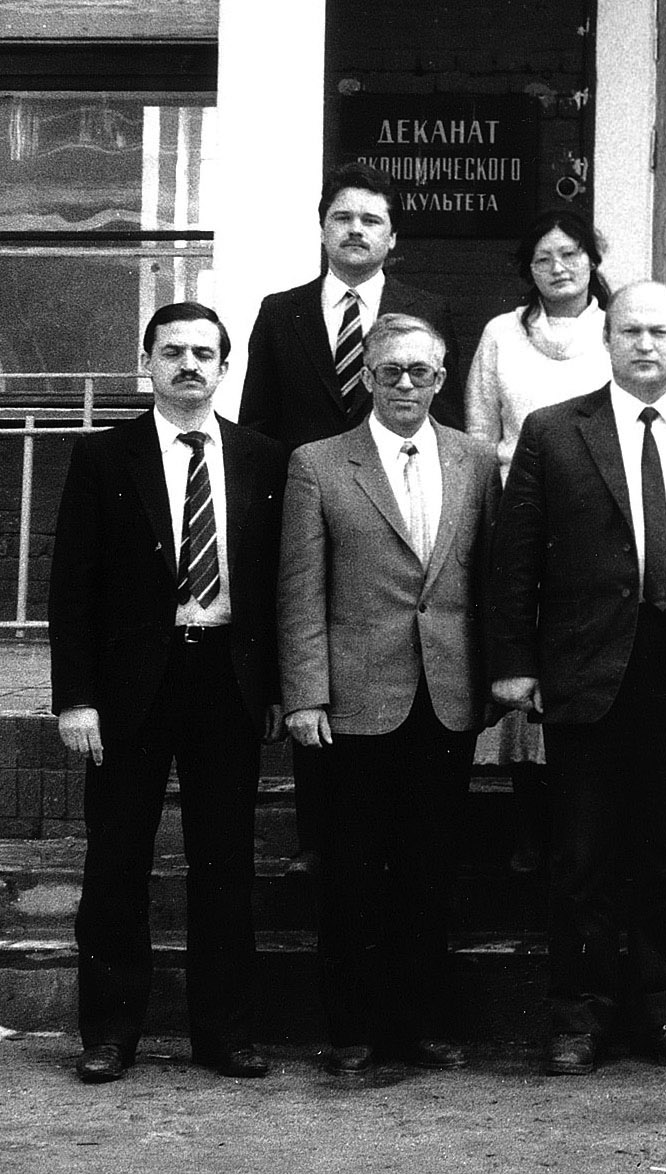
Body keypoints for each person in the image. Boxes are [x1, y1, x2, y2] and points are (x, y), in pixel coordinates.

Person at [486, 282, 666, 1076]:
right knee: (583, 856)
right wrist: (514, 663)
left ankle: (665, 1011)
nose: (645, 344)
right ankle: (580, 1015)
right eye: (630, 330)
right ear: (608, 339)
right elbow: (515, 557)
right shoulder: (553, 432)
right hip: (587, 669)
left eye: (660, 332)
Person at [50, 302, 287, 1082]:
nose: (189, 364)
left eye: (204, 353)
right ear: (146, 361)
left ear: (226, 367)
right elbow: (71, 585)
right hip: (130, 688)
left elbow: (278, 584)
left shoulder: (262, 458)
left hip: (226, 680)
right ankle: (110, 1032)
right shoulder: (104, 456)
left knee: (225, 862)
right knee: (118, 858)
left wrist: (276, 687)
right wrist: (75, 696)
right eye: (173, 350)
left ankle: (225, 1033)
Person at [277, 313, 503, 1077]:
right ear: (367, 376)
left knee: (428, 868)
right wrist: (305, 693)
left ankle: (419, 1023)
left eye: (421, 371)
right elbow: (300, 588)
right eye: (391, 371)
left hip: (446, 693)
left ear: (442, 379)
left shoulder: (475, 460)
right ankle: (352, 1027)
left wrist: (491, 678)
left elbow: (488, 578)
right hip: (354, 697)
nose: (406, 384)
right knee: (351, 868)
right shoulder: (319, 463)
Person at [239, 160, 463, 879]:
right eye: (343, 217)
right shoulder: (282, 312)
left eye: (371, 219)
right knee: (319, 661)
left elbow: (445, 421)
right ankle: (317, 835)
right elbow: (259, 423)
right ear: (322, 229)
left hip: (400, 513)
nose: (356, 230)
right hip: (309, 510)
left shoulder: (428, 308)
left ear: (393, 237)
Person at [464, 205, 614, 874]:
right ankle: (530, 830)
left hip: (595, 524)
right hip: (518, 516)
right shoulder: (501, 333)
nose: (559, 267)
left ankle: (584, 835)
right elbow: (479, 433)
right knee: (524, 666)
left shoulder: (616, 331)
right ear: (528, 268)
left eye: (571, 254)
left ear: (593, 260)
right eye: (544, 258)